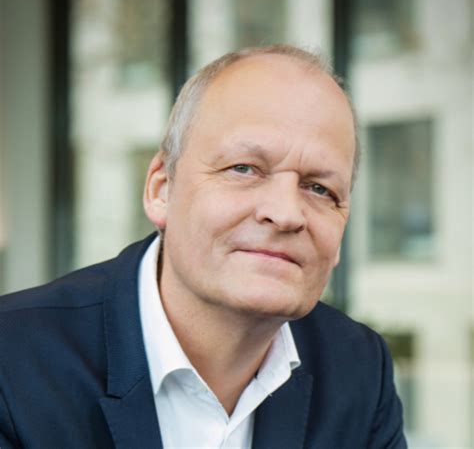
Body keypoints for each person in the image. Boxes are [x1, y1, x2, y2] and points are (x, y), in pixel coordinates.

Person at [0, 45, 407, 448]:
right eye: (244, 169)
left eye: (319, 189)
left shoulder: (359, 368)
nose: (286, 214)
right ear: (162, 189)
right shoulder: (11, 359)